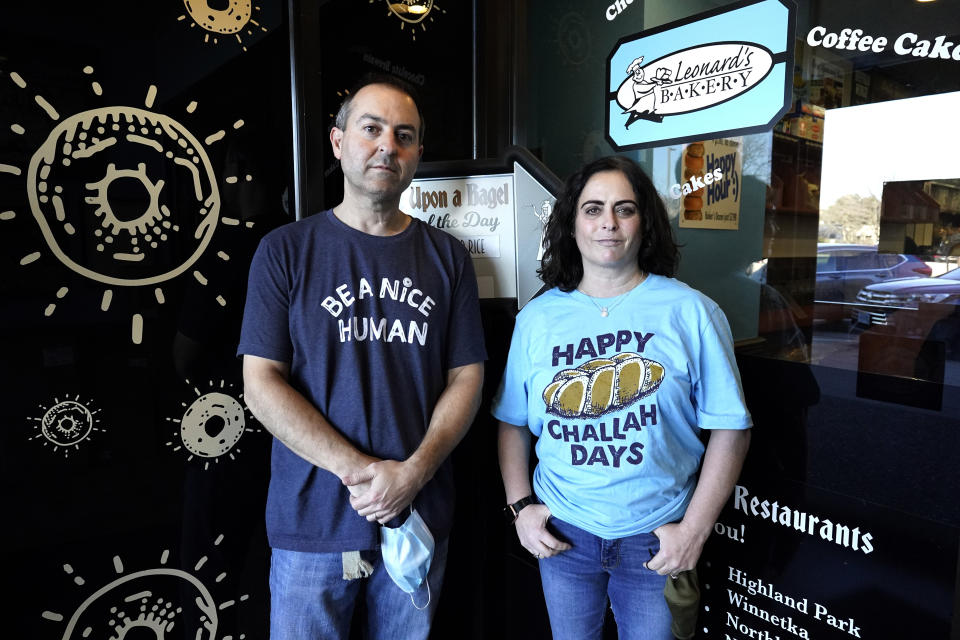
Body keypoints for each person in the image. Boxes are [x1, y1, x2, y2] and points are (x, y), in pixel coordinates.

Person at [238, 74, 486, 640]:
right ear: (337, 142)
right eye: (371, 129)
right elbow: (260, 384)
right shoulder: (285, 251)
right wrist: (367, 477)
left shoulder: (447, 257)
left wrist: (413, 474)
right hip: (313, 523)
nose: (386, 147)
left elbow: (467, 376)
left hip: (418, 516)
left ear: (418, 153)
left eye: (404, 136)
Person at [492, 155, 751, 640]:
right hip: (563, 534)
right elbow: (513, 422)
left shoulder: (691, 311)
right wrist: (520, 507)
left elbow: (731, 428)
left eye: (624, 209)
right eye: (592, 209)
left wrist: (693, 530)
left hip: (655, 540)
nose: (608, 223)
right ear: (571, 224)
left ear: (644, 222)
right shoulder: (538, 317)